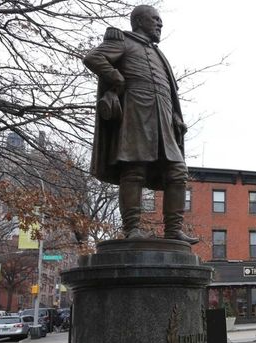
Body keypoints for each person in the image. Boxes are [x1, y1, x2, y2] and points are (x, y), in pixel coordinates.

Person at [83, 5, 198, 244]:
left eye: (160, 20)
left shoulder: (159, 54)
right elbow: (93, 57)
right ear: (139, 21)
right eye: (155, 19)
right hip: (136, 112)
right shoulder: (124, 41)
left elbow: (169, 90)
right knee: (134, 169)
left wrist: (175, 116)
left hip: (163, 119)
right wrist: (116, 78)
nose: (160, 24)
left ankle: (173, 229)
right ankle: (132, 228)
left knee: (177, 172)